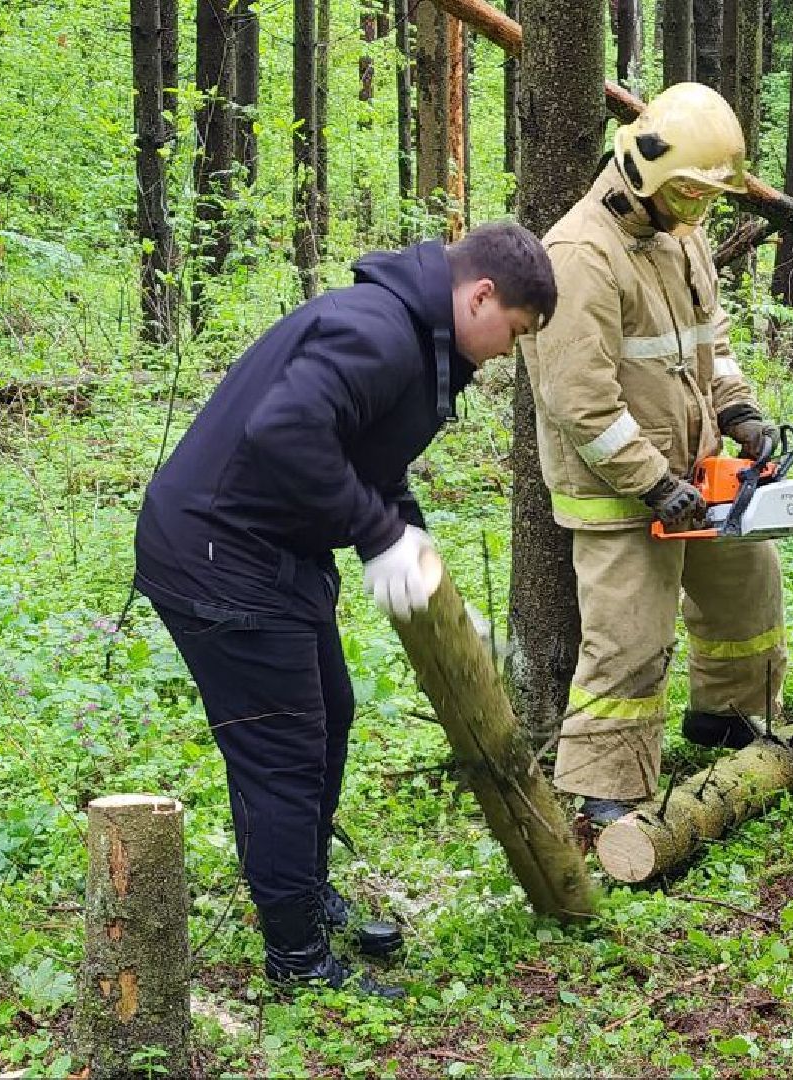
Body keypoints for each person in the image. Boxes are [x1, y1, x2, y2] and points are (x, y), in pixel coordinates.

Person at [134, 223, 556, 995]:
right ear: (481, 296)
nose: (507, 353)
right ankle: (296, 959)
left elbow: (365, 456)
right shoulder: (379, 331)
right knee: (283, 751)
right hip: (218, 555)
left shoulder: (413, 338)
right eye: (515, 332)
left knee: (328, 714)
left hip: (272, 553)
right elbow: (285, 432)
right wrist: (375, 535)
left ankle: (301, 891)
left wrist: (412, 544)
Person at [518, 83, 788, 827]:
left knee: (747, 590)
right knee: (629, 642)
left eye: (705, 198)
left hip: (695, 470)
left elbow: (711, 340)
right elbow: (580, 403)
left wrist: (737, 408)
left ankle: (725, 716)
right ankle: (605, 783)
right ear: (646, 169)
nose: (698, 211)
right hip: (617, 491)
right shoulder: (579, 255)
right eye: (689, 194)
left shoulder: (679, 233)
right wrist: (651, 482)